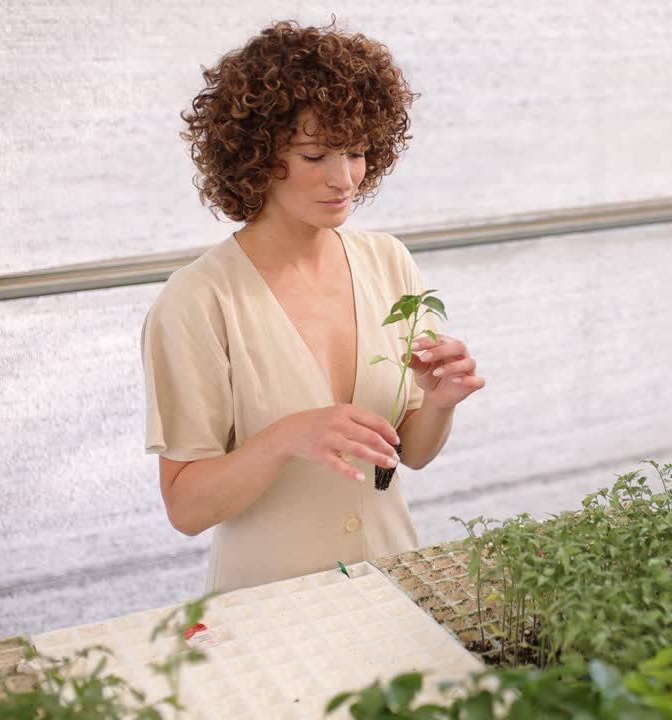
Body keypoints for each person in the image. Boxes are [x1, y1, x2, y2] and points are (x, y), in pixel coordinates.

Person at [140, 19, 484, 594]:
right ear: (256, 155)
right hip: (268, 605)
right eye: (315, 154)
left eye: (355, 152)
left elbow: (412, 453)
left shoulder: (388, 262)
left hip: (395, 584)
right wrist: (285, 437)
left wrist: (442, 401)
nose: (343, 178)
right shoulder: (199, 301)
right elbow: (186, 508)